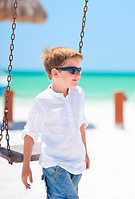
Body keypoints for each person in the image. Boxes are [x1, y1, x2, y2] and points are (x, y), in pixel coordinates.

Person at [21, 47, 90, 198]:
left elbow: (80, 124)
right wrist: (26, 166)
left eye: (79, 70)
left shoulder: (79, 93)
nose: (77, 74)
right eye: (72, 70)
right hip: (55, 165)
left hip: (76, 163)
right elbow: (31, 133)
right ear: (55, 73)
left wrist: (85, 152)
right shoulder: (43, 100)